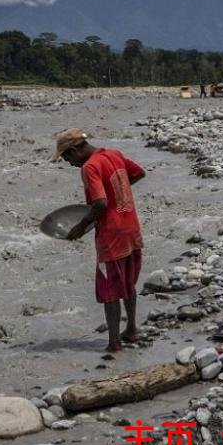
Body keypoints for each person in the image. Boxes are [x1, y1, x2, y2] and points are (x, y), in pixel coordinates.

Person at [55, 128, 146, 352]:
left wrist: (80, 226)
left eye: (67, 158)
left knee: (110, 290)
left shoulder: (90, 167)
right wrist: (117, 193)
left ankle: (114, 343)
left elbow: (101, 204)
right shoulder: (113, 154)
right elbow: (138, 173)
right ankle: (132, 329)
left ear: (75, 150)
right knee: (128, 283)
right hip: (131, 229)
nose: (69, 163)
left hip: (111, 235)